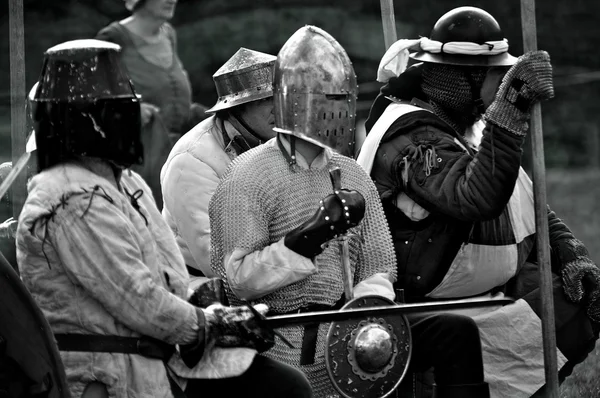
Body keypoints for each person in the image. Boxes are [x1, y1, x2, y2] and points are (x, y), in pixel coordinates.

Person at [17, 39, 311, 398]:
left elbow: (162, 275)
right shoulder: (69, 199)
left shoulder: (124, 182)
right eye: (119, 111)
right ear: (89, 122)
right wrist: (212, 323)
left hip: (158, 356)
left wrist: (205, 301)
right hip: (105, 375)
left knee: (284, 385)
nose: (133, 120)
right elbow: (136, 298)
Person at [210, 25, 490, 398]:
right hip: (285, 341)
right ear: (296, 101)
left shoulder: (352, 172)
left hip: (354, 327)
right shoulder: (248, 175)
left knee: (454, 331)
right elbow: (237, 281)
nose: (340, 110)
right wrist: (309, 237)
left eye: (345, 99)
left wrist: (365, 314)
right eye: (330, 98)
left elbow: (378, 265)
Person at [358, 6, 599, 397]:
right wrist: (512, 107)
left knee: (577, 298)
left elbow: (525, 201)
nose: (500, 84)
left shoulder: (468, 125)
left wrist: (570, 251)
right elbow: (474, 198)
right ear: (461, 77)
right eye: (494, 75)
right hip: (427, 304)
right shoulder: (408, 135)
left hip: (486, 290)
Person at [161, 47, 277, 285]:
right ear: (237, 107)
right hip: (198, 287)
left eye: (281, 97)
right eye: (265, 100)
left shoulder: (280, 141)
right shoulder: (191, 162)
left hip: (269, 270)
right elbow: (221, 266)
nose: (279, 108)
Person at [96, 0, 208, 210]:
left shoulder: (168, 34)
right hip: (140, 162)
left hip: (178, 155)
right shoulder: (112, 38)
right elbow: (95, 104)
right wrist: (129, 111)